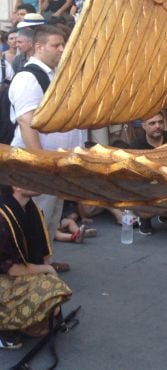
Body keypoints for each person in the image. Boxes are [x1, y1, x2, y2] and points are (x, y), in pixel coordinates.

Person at [8, 25, 86, 272]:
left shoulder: (53, 74)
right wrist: (41, 161)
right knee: (35, 216)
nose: (62, 49)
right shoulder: (27, 77)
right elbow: (26, 120)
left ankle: (45, 261)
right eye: (56, 45)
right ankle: (30, 268)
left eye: (63, 44)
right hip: (36, 163)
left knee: (51, 215)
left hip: (54, 162)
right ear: (39, 47)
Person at [0, 185, 72, 350]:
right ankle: (5, 329)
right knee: (49, 288)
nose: (37, 181)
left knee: (52, 291)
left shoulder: (32, 210)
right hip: (6, 275)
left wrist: (51, 292)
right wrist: (47, 272)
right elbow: (12, 269)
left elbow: (42, 256)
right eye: (29, 178)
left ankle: (19, 322)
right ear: (15, 185)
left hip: (14, 275)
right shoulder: (2, 215)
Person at [130, 112, 167, 235]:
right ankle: (145, 218)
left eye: (160, 122)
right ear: (143, 126)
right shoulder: (136, 146)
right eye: (152, 123)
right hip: (147, 182)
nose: (158, 126)